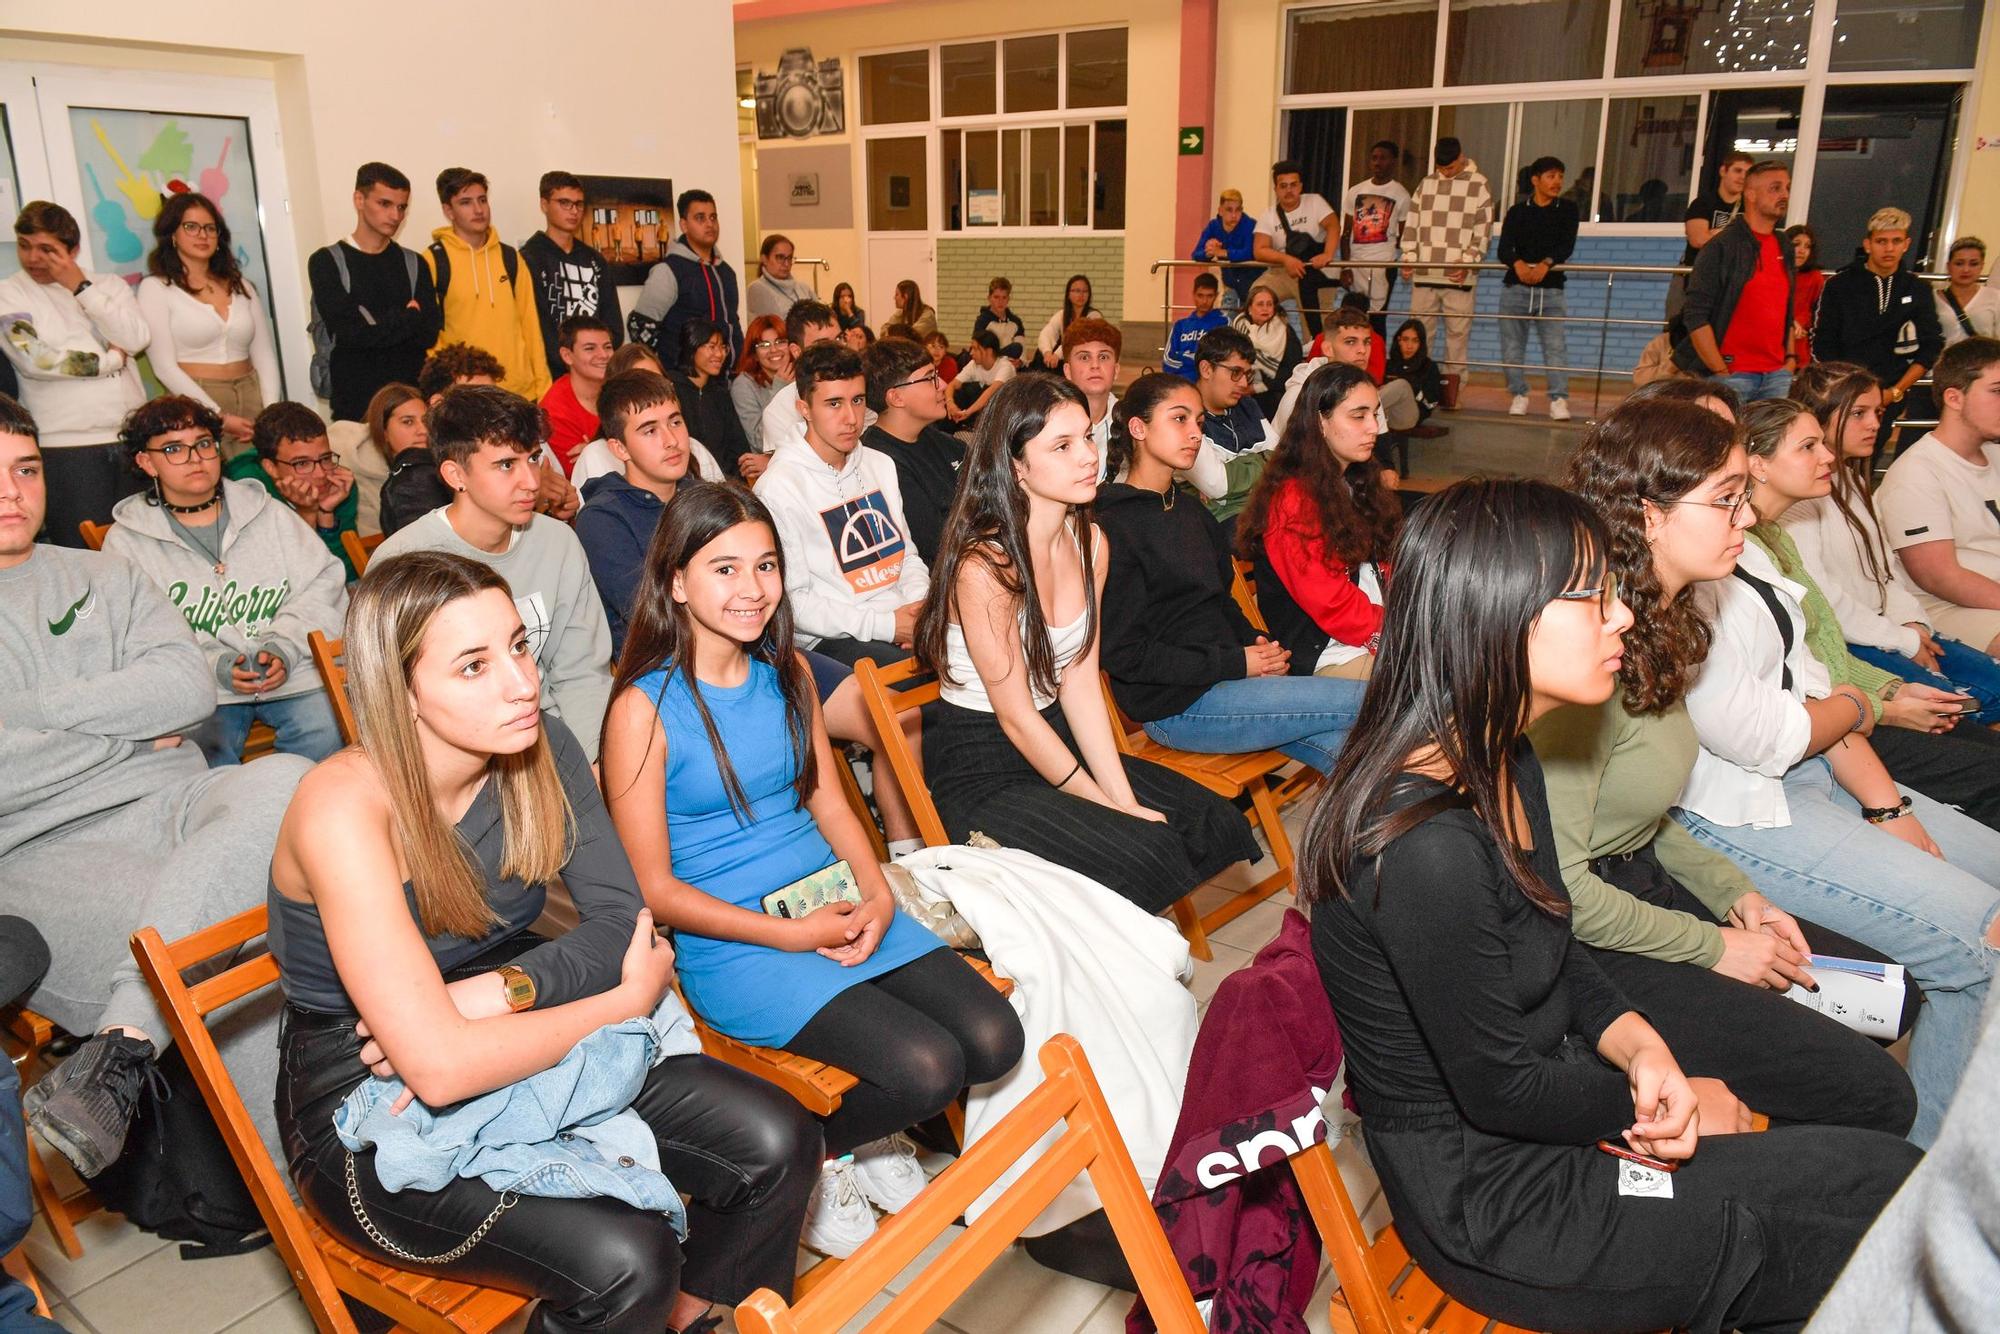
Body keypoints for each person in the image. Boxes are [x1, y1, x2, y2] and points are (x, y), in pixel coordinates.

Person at [1307, 475, 1920, 1332]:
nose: (1623, 616)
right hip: (1502, 1199)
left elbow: (1555, 938)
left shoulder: (1503, 754)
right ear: (1497, 616)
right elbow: (1502, 1094)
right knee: (1883, 1226)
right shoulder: (1421, 847)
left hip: (1552, 1107)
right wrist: (1664, 1100)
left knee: (1881, 1177)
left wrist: (1642, 1050)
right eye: (1590, 599)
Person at [270, 548, 819, 1332]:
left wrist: (500, 993)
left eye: (518, 647)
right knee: (628, 1259)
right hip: (361, 1090)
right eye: (472, 666)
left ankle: (689, 1318)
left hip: (515, 1001)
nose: (522, 683)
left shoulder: (537, 745)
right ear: (403, 690)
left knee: (781, 1138)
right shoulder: (343, 808)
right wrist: (625, 1000)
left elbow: (619, 925)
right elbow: (440, 1066)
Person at [602, 483, 1021, 1253]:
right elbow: (655, 889)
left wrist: (876, 895)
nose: (751, 588)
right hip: (740, 943)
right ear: (674, 582)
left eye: (765, 566)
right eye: (723, 569)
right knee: (926, 1068)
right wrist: (785, 936)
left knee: (995, 1039)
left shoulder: (789, 670)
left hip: (830, 899)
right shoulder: (642, 708)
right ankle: (830, 1151)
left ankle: (872, 1133)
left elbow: (831, 803)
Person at [1539, 399, 1921, 1141]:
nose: (1746, 519)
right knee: (1877, 1095)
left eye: (1743, 494)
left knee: (1890, 997)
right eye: (1725, 499)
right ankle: (1765, 1194)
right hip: (1585, 940)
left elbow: (1648, 820)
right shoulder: (1590, 655)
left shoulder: (1664, 622)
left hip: (1639, 880)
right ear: (1647, 515)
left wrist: (1738, 896)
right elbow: (1562, 887)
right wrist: (1717, 947)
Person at [1669, 391, 2000, 1146]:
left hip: (1814, 772)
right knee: (1981, 950)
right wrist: (1857, 702)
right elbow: (1768, 733)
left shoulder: (1748, 545)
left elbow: (1819, 682)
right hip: (1744, 807)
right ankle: (1919, 1187)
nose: (1744, 499)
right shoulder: (1684, 578)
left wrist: (1889, 809)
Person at [0, 392, 308, 1178]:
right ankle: (316, 1201)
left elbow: (185, 690)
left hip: (175, 796)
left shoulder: (105, 572)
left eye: (27, 470)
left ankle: (122, 1046)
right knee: (225, 931)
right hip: (43, 849)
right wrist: (122, 724)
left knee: (296, 780)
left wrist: (35, 715)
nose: (13, 492)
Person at [915, 374, 1260, 915]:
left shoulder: (1090, 540)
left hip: (1057, 737)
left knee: (1206, 817)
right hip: (983, 765)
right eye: (1062, 445)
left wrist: (1120, 797)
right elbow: (1017, 719)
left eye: (1087, 438)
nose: (1087, 457)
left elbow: (1078, 682)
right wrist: (1107, 806)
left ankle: (1129, 959)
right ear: (1015, 466)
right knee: (1142, 849)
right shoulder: (984, 566)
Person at [1098, 373, 1365, 775]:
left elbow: (1221, 602)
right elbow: (1128, 655)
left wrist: (1259, 645)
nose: (1195, 435)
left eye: (1200, 423)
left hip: (1232, 686)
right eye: (1179, 419)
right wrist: (1238, 662)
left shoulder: (1191, 513)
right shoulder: (1112, 525)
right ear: (1138, 427)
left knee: (1360, 754)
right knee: (1376, 701)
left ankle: (1401, 830)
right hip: (1177, 708)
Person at [373, 385, 614, 763]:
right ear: (455, 475)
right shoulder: (404, 562)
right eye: (506, 465)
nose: (531, 482)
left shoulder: (558, 542)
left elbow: (583, 674)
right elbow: (391, 704)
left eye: (533, 458)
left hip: (551, 746)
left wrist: (592, 767)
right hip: (455, 758)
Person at [104, 395, 345, 765]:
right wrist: (211, 663)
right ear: (145, 461)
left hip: (290, 673)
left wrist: (284, 645)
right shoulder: (127, 541)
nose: (195, 458)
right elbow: (131, 633)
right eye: (173, 449)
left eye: (203, 444)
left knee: (328, 727)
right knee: (199, 754)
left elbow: (323, 583)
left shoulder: (266, 512)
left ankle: (293, 813)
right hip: (201, 689)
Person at [1786, 359, 2000, 722]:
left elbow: (1886, 574)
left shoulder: (1853, 483)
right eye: (1859, 413)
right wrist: (1902, 640)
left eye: (1878, 411)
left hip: (1889, 627)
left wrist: (1913, 626)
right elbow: (1823, 600)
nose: (1874, 424)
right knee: (1962, 704)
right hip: (1851, 640)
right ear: (1819, 418)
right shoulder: (1800, 499)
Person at [757, 342, 929, 668]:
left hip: (900, 617)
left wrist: (920, 609)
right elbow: (796, 602)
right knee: (927, 684)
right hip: (834, 639)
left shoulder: (880, 465)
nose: (851, 418)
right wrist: (889, 626)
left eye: (858, 400)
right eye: (834, 403)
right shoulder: (779, 487)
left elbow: (906, 554)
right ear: (804, 408)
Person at [0, 200, 150, 546]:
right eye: (25, 246)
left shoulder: (107, 285)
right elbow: (36, 359)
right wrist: (110, 361)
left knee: (145, 547)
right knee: (83, 553)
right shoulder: (9, 293)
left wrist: (81, 288)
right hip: (67, 448)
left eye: (47, 250)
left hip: (132, 439)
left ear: (72, 250)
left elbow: (137, 338)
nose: (33, 258)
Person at [1238, 361, 1398, 680]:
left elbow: (1384, 569)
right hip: (1326, 654)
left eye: (1375, 414)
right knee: (1446, 692)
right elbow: (1332, 604)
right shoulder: (1292, 500)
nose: (1373, 427)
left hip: (1370, 634)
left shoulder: (1356, 481)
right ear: (1320, 422)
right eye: (1358, 415)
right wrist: (1405, 625)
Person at [1875, 337, 2000, 657]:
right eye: (1997, 391)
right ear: (1954, 398)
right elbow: (1940, 577)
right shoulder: (1916, 473)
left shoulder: (1994, 455)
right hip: (1947, 608)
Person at [135, 192, 279, 457]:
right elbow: (164, 367)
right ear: (172, 235)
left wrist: (270, 413)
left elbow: (265, 356)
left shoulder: (241, 286)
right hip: (195, 403)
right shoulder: (156, 288)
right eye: (190, 226)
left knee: (260, 487)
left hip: (252, 397)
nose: (202, 235)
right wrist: (218, 417)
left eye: (210, 228)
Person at [307, 163, 441, 424]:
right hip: (355, 409)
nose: (395, 215)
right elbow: (350, 335)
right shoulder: (327, 261)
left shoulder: (414, 262)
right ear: (359, 199)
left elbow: (428, 335)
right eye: (385, 204)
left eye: (401, 207)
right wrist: (407, 318)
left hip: (411, 409)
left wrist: (378, 326)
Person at [1814, 207, 1945, 449]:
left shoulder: (1917, 289)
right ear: (1868, 244)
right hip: (1842, 392)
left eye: (1896, 241)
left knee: (1870, 456)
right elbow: (1824, 343)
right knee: (1830, 454)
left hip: (1889, 394)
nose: (1889, 248)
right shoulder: (1840, 285)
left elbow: (1932, 345)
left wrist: (1895, 391)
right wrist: (1845, 389)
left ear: (1906, 244)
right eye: (1881, 241)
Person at [1671, 160, 1796, 401]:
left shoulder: (1785, 246)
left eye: (1787, 188)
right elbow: (1696, 316)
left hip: (1776, 375)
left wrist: (1789, 361)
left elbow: (1786, 312)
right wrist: (1720, 371)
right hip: (1733, 375)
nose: (1784, 195)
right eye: (1775, 188)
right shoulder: (1721, 246)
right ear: (1750, 194)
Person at [224, 401, 362, 581]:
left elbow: (345, 577)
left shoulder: (338, 484)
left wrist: (325, 513)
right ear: (270, 467)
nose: (321, 473)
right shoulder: (245, 493)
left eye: (325, 458)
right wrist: (306, 515)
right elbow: (280, 583)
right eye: (302, 463)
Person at [862, 337, 965, 565]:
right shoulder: (876, 462)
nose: (943, 385)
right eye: (930, 378)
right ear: (896, 397)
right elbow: (938, 542)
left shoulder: (942, 441)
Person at [1398, 139, 1495, 378]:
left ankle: (1454, 390)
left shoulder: (1479, 184)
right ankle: (1418, 385)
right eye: (1441, 168)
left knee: (1458, 338)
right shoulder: (1426, 184)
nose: (1445, 173)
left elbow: (1484, 230)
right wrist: (1408, 257)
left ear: (1461, 157)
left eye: (1450, 168)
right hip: (1424, 273)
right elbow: (1412, 224)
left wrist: (1468, 261)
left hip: (1459, 275)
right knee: (1419, 335)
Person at [520, 171, 623, 386]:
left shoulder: (595, 260)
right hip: (552, 377)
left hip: (597, 375)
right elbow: (535, 327)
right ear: (544, 204)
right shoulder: (529, 258)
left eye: (579, 204)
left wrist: (598, 357)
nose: (574, 211)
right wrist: (566, 361)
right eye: (565, 203)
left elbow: (613, 323)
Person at [1497, 156, 1578, 420]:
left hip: (1552, 290)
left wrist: (1546, 263)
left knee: (1555, 346)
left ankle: (1558, 399)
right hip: (1516, 289)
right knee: (1511, 346)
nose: (1557, 182)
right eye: (1551, 176)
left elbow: (1566, 246)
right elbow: (1503, 248)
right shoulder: (1517, 212)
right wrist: (1518, 264)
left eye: (1560, 176)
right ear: (1536, 180)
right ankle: (1519, 394)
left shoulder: (1568, 209)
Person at [630, 189, 743, 370]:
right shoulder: (668, 271)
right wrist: (664, 373)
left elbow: (732, 323)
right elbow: (640, 327)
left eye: (713, 217)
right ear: (684, 225)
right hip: (682, 384)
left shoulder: (727, 272)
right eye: (700, 218)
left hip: (726, 382)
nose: (709, 224)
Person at [1252, 162, 1339, 341]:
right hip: (1282, 272)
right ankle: (1270, 343)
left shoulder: (1315, 202)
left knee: (1316, 329)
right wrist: (1286, 260)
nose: (1289, 190)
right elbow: (1259, 250)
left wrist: (1328, 254)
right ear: (1276, 189)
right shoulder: (1268, 215)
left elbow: (1333, 226)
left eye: (1293, 185)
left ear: (1300, 186)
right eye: (1283, 186)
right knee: (1257, 295)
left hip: (1315, 272)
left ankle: (1317, 362)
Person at [757, 300, 847, 466]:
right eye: (823, 344)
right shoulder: (779, 412)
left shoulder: (860, 390)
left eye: (840, 338)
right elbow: (790, 475)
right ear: (797, 352)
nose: (837, 350)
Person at [1669, 150, 1753, 323]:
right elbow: (1698, 239)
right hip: (1697, 281)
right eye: (1737, 171)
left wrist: (1715, 233)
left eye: (1747, 173)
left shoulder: (1750, 209)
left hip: (1731, 284)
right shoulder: (1703, 203)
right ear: (1723, 171)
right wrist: (1731, 234)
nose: (1742, 177)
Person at [670, 319, 754, 481]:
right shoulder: (671, 389)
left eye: (723, 347)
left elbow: (738, 447)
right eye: (711, 347)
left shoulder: (720, 394)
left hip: (724, 483)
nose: (719, 354)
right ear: (692, 347)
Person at [1338, 141, 1411, 332]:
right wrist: (1345, 266)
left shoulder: (1401, 194)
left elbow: (1404, 235)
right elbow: (1345, 233)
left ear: (1393, 162)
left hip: (1383, 264)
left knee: (1377, 319)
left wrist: (1404, 260)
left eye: (1383, 158)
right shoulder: (1355, 191)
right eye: (1374, 158)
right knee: (1353, 318)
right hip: (1356, 263)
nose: (1378, 163)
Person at [540, 315, 616, 473]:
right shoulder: (554, 412)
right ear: (567, 356)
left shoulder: (623, 387)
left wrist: (596, 451)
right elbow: (587, 476)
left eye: (607, 347)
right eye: (590, 348)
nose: (603, 355)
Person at [358, 381, 428, 537]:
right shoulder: (364, 484)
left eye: (426, 420)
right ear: (384, 432)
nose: (423, 430)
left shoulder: (444, 466)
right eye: (408, 422)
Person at [1193, 327, 1276, 459]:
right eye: (1235, 372)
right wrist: (1261, 459)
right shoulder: (1186, 417)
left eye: (1247, 374)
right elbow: (1216, 479)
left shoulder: (1247, 404)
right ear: (1206, 369)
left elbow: (1279, 460)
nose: (1244, 384)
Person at [1060, 316, 1123, 463]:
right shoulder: (1047, 421)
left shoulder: (1131, 424)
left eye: (1103, 357)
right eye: (1084, 357)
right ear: (1068, 371)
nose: (1095, 365)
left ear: (1116, 370)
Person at [1231, 285, 1300, 418]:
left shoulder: (1285, 331)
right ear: (1250, 308)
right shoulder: (1238, 328)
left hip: (1272, 392)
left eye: (1269, 304)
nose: (1265, 308)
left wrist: (1255, 388)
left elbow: (1291, 369)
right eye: (1260, 304)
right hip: (1239, 389)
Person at [730, 314, 792, 457]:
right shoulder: (743, 385)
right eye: (764, 345)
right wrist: (779, 389)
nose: (774, 350)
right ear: (754, 354)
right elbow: (760, 441)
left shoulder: (801, 375)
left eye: (780, 341)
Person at [1191, 188, 1257, 312]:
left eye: (1238, 210)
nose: (1234, 215)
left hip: (1254, 287)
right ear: (1220, 211)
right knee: (1226, 325)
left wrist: (1223, 252)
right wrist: (1209, 252)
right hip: (1231, 287)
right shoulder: (1213, 226)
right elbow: (1195, 254)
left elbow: (1249, 253)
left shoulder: (1250, 224)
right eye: (1229, 210)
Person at [1162, 272, 1227, 382]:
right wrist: (1198, 363)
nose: (1204, 301)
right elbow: (1167, 361)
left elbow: (1221, 359)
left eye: (1209, 296)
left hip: (1209, 385)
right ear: (1193, 294)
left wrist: (1183, 356)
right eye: (1200, 295)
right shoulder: (1180, 325)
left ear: (1216, 295)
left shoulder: (1224, 323)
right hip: (1181, 384)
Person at [1937, 236, 2000, 346]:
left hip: (1983, 361)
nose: (1966, 270)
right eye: (1959, 263)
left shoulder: (1995, 297)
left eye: (1974, 264)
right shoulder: (1932, 298)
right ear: (1948, 266)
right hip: (1942, 361)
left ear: (1981, 266)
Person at [947, 331, 1016, 427]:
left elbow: (991, 392)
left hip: (1003, 412)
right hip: (979, 412)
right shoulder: (973, 365)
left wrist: (967, 412)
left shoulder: (1005, 366)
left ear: (989, 351)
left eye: (975, 349)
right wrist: (950, 404)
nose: (971, 353)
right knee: (962, 392)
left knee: (978, 389)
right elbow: (952, 385)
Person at [1383, 319, 1444, 424]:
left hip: (1412, 415)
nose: (1410, 346)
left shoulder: (1429, 367)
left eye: (1415, 341)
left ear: (1421, 343)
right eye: (1406, 339)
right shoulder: (1389, 365)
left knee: (1401, 384)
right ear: (1399, 340)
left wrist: (1416, 391)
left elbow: (1431, 404)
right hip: (1387, 413)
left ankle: (1365, 410)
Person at [1034, 275, 1098, 370]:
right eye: (1077, 291)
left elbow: (1077, 340)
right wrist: (1047, 353)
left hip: (1082, 359)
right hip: (1065, 357)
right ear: (1068, 294)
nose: (1081, 295)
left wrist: (1057, 355)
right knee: (1040, 354)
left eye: (1085, 291)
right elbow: (1047, 333)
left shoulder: (1093, 316)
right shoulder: (1062, 314)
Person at [746, 235, 812, 323]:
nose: (786, 263)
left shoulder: (803, 287)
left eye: (789, 258)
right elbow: (776, 323)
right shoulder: (756, 288)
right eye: (780, 257)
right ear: (764, 259)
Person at [1786, 223, 1823, 366]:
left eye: (1807, 246)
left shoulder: (1814, 277)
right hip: (1770, 344)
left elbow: (1817, 312)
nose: (1802, 251)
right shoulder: (1773, 273)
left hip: (1800, 347)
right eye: (1796, 244)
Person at [971, 277, 1025, 363]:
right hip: (990, 363)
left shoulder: (1016, 322)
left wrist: (1019, 362)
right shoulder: (982, 321)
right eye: (996, 297)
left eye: (1004, 297)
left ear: (1008, 299)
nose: (1000, 301)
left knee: (1017, 348)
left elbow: (1021, 348)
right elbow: (977, 348)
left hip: (1011, 364)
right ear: (989, 298)